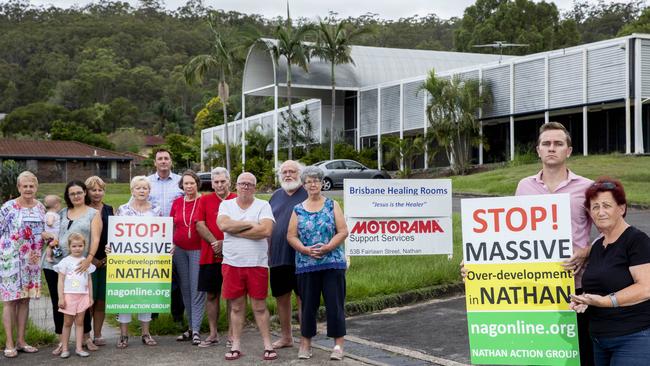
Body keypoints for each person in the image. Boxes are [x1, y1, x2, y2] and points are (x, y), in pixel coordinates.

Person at [461, 122, 595, 365]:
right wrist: (476, 262)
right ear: (538, 150)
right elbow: (509, 235)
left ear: (569, 150)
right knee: (539, 355)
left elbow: (610, 233)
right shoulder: (525, 187)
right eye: (546, 144)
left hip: (574, 286)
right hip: (533, 288)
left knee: (578, 356)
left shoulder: (586, 187)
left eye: (558, 143)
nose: (552, 148)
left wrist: (586, 251)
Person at [570, 178, 650, 365]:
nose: (601, 212)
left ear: (621, 209)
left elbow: (645, 288)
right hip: (599, 340)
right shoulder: (598, 245)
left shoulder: (637, 241)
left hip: (633, 338)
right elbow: (600, 287)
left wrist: (605, 301)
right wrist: (585, 302)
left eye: (607, 205)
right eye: (595, 207)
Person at [286, 166, 349, 361]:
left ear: (322, 183)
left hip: (332, 263)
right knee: (308, 306)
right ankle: (306, 343)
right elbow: (291, 236)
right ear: (304, 185)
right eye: (309, 181)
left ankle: (338, 345)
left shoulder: (332, 205)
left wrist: (329, 247)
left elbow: (343, 231)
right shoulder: (297, 209)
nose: (313, 184)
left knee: (334, 304)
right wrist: (305, 250)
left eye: (316, 181)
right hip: (307, 264)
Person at [217, 172, 276, 361]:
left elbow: (266, 230)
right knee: (236, 307)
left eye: (250, 184)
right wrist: (251, 225)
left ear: (255, 187)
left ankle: (267, 345)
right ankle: (235, 345)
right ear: (236, 186)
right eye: (242, 183)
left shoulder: (263, 205)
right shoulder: (226, 205)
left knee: (259, 306)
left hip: (257, 264)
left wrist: (236, 229)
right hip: (232, 263)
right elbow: (223, 225)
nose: (246, 187)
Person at [42, 180, 101, 356]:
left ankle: (85, 337)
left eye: (79, 192)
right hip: (54, 264)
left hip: (79, 264)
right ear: (68, 196)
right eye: (72, 193)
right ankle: (62, 341)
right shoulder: (61, 212)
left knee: (82, 300)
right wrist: (47, 236)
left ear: (85, 193)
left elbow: (96, 239)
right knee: (59, 302)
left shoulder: (93, 213)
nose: (76, 196)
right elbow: (50, 230)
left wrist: (89, 259)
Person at [1, 171, 48, 358]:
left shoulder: (40, 208)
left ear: (36, 188)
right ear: (18, 187)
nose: (28, 189)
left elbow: (45, 231)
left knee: (25, 300)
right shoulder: (8, 207)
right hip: (10, 261)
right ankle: (9, 342)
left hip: (31, 262)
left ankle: (21, 340)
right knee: (10, 300)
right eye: (24, 186)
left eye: (31, 186)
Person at [113, 176, 161, 349]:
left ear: (149, 191)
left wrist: (167, 248)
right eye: (138, 188)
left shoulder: (156, 210)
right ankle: (123, 336)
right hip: (126, 260)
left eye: (145, 188)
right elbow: (115, 235)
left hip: (149, 260)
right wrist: (110, 248)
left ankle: (146, 334)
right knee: (125, 296)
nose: (141, 191)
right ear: (132, 190)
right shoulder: (123, 209)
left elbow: (162, 234)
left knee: (146, 295)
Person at [195, 167, 236, 348]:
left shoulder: (236, 199)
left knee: (232, 296)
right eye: (216, 182)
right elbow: (200, 225)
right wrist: (215, 243)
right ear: (211, 183)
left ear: (229, 181)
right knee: (212, 295)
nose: (219, 185)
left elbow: (242, 224)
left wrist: (224, 243)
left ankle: (232, 335)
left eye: (222, 181)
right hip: (209, 256)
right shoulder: (204, 200)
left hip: (234, 256)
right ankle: (213, 334)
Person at [268, 160, 307, 349]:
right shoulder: (275, 196)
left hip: (303, 256)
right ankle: (286, 337)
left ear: (300, 174)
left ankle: (306, 339)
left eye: (292, 171)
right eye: (284, 172)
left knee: (303, 299)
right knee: (281, 299)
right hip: (278, 257)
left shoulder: (308, 193)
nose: (288, 175)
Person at [148, 148, 184, 323]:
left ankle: (177, 315)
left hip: (176, 235)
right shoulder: (146, 182)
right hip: (152, 237)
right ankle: (152, 316)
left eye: (166, 158)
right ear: (155, 162)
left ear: (171, 162)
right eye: (160, 158)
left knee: (177, 276)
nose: (163, 161)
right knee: (154, 275)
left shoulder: (180, 182)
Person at [170, 170, 205, 345]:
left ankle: (197, 329)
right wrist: (171, 244)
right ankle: (190, 328)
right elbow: (171, 226)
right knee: (185, 288)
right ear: (181, 185)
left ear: (197, 184)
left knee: (197, 289)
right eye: (186, 183)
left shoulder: (203, 201)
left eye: (192, 183)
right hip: (180, 251)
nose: (189, 186)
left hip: (198, 249)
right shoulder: (177, 202)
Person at [54, 232, 96, 359]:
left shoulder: (86, 262)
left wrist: (90, 297)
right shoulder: (65, 262)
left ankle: (79, 348)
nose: (77, 248)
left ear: (84, 246)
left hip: (83, 296)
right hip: (69, 296)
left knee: (80, 322)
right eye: (74, 246)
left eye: (80, 246)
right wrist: (61, 297)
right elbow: (60, 281)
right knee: (67, 322)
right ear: (69, 247)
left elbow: (89, 280)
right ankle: (65, 348)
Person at [84, 176, 114, 346]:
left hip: (107, 260)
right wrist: (93, 259)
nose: (97, 193)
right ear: (87, 191)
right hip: (88, 261)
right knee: (89, 300)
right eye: (93, 189)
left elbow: (116, 234)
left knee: (102, 299)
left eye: (100, 189)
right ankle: (86, 335)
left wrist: (107, 257)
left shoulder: (110, 209)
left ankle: (98, 334)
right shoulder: (83, 210)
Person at [43, 195, 62, 263]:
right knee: (50, 246)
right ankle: (48, 257)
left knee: (53, 245)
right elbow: (50, 222)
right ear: (56, 205)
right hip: (51, 234)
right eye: (60, 204)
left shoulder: (51, 213)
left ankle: (56, 255)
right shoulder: (51, 214)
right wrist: (50, 223)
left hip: (53, 234)